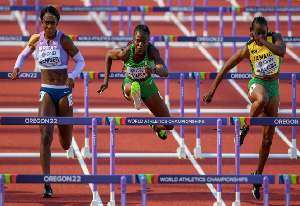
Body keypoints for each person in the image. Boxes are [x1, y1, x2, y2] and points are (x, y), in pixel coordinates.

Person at [202, 16, 286, 200]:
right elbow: (225, 67)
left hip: (275, 88)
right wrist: (211, 92)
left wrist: (264, 40)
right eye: (259, 33)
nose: (262, 35)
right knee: (261, 100)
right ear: (252, 32)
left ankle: (257, 176)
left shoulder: (275, 38)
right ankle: (245, 127)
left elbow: (281, 52)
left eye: (265, 32)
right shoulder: (248, 48)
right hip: (257, 85)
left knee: (267, 140)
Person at [11, 5, 85, 198]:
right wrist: (17, 68)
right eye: (46, 23)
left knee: (66, 143)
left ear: (57, 24)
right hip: (46, 91)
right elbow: (22, 55)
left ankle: (66, 137)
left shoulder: (65, 40)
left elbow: (81, 61)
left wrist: (72, 77)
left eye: (53, 23)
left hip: (64, 92)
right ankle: (47, 183)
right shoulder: (36, 39)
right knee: (45, 136)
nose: (49, 26)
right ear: (41, 23)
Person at [97, 24, 174, 139]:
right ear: (133, 39)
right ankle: (135, 95)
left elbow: (165, 71)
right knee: (134, 85)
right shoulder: (126, 52)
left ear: (148, 41)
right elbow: (109, 55)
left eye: (144, 41)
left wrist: (153, 70)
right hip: (129, 83)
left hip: (148, 85)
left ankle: (155, 126)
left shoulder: (152, 51)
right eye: (138, 41)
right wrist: (106, 81)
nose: (141, 44)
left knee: (169, 125)